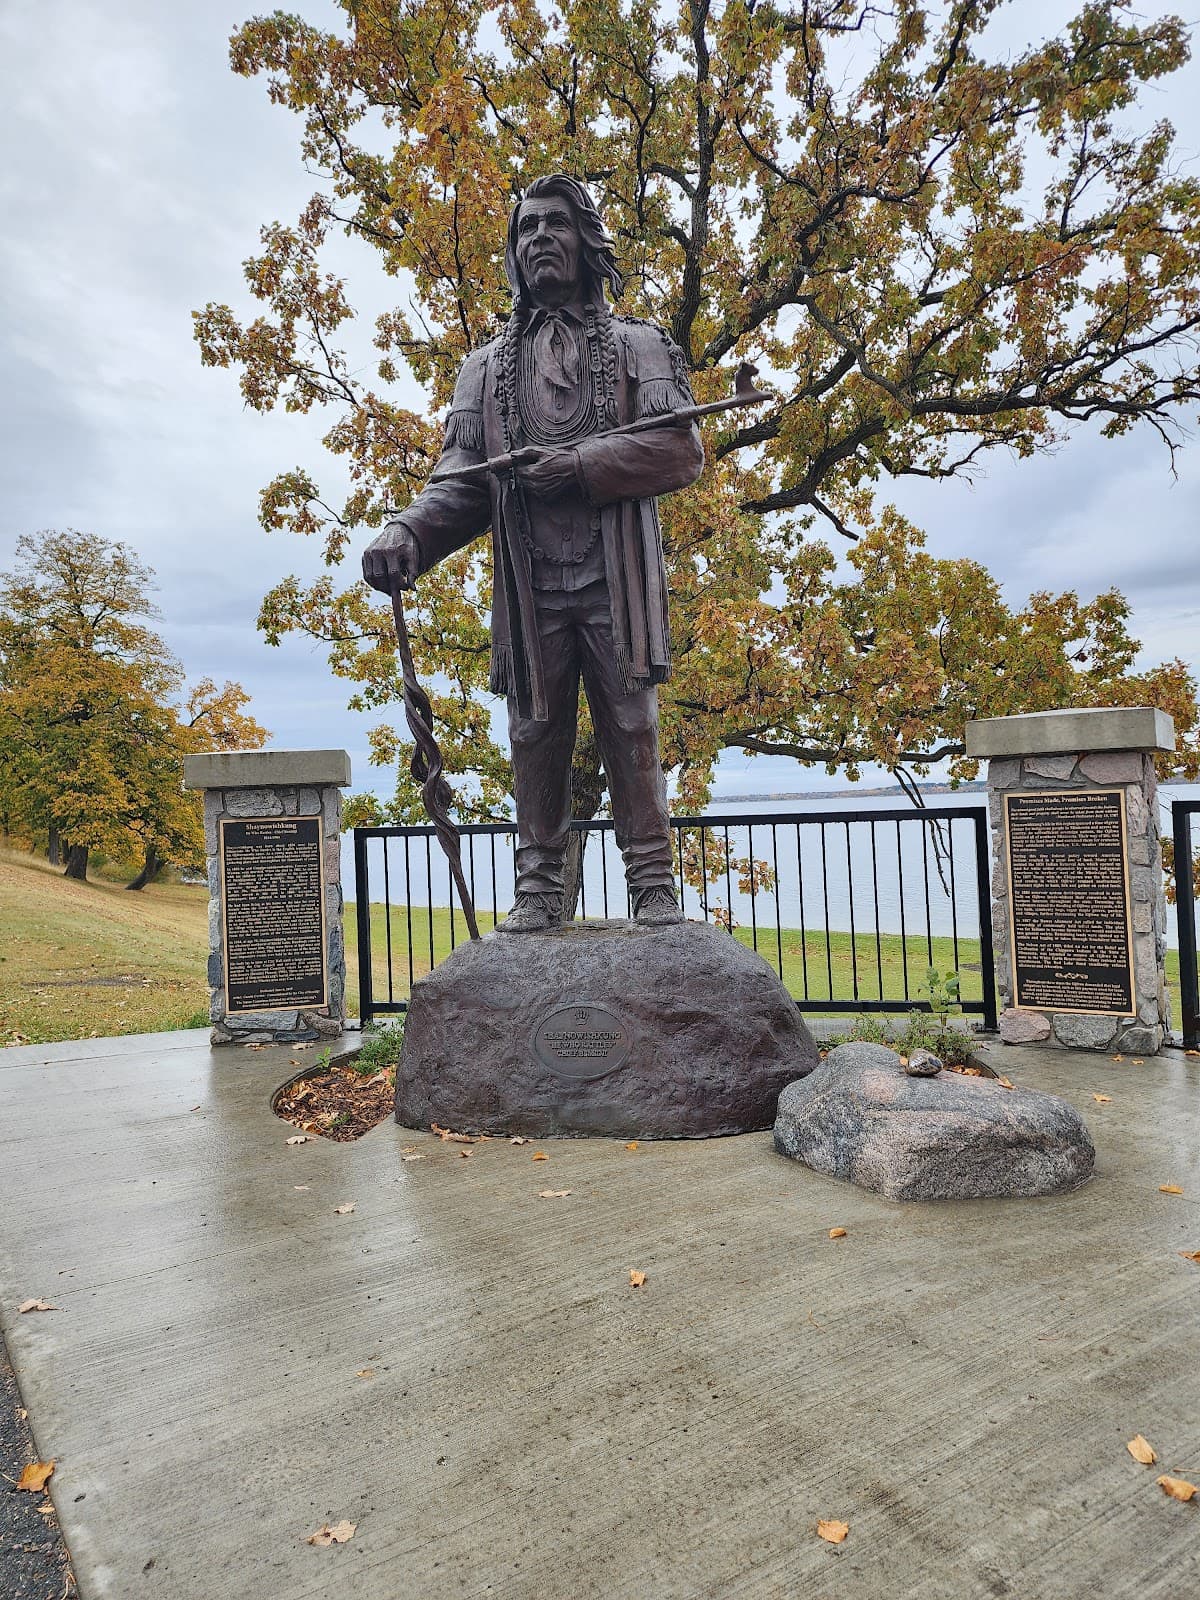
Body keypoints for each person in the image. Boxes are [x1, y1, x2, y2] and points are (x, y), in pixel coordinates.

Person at [362, 175, 704, 932]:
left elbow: (680, 450)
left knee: (634, 726)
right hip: (531, 583)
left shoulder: (642, 346)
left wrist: (582, 467)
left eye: (555, 224)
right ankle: (540, 887)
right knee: (532, 733)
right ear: (515, 255)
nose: (540, 238)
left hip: (615, 577)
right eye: (526, 229)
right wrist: (408, 534)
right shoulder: (483, 369)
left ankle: (652, 884)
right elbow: (460, 484)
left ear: (587, 240)